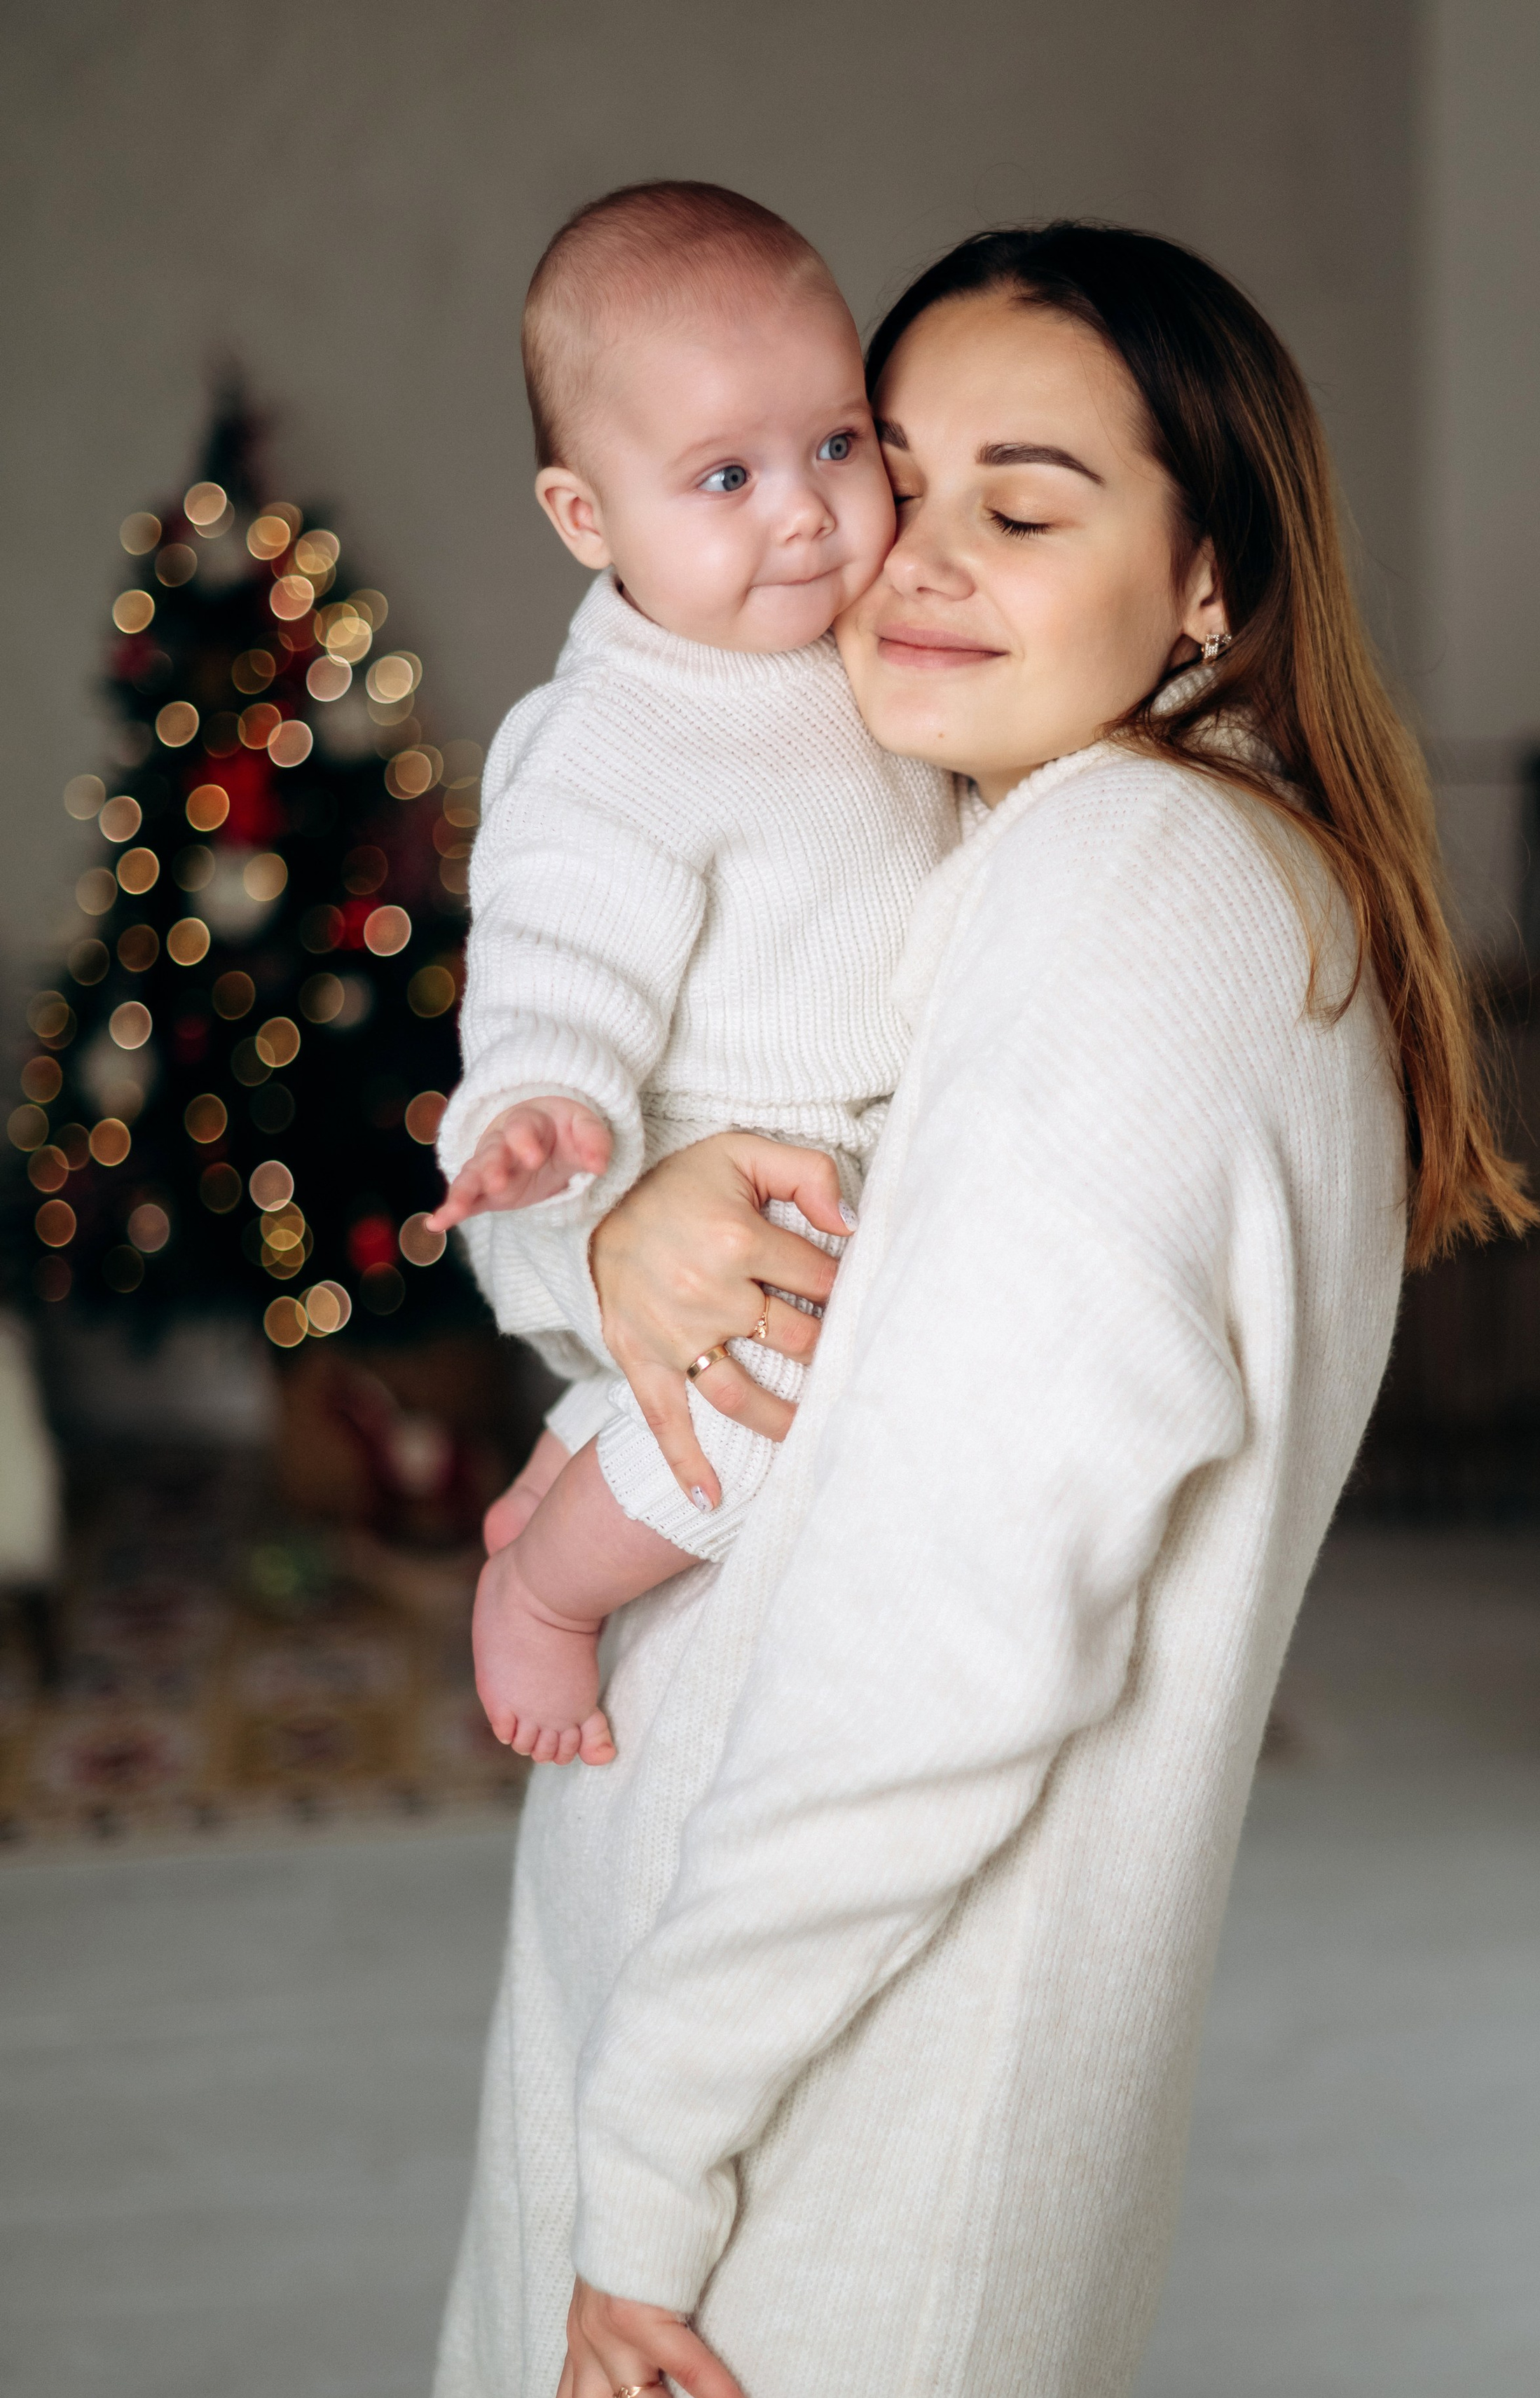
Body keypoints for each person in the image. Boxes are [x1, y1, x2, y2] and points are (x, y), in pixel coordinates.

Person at [410, 222, 1532, 2398]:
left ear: (1206, 575)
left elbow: (952, 1630)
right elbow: (664, 1244)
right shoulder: (1004, 853)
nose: (889, 553)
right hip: (748, 2006)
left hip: (829, 2106)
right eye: (884, 473)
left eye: (1017, 507)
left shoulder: (1133, 893)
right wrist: (600, 1245)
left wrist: (651, 2159)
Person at [429, 179, 955, 1765]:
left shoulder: (862, 640)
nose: (802, 510)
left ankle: (565, 1461)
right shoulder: (610, 739)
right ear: (586, 519)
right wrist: (534, 1109)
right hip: (733, 1180)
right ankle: (546, 1592)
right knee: (748, 1429)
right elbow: (551, 959)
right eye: (724, 474)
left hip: (857, 1155)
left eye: (838, 445)